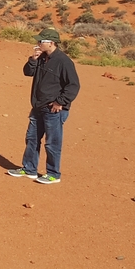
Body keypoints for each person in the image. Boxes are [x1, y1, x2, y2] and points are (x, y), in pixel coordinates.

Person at [9, 28, 80, 184]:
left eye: (41, 41)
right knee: (32, 138)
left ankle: (53, 174)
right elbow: (28, 73)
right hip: (38, 106)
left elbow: (73, 85)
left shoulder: (63, 61)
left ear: (51, 43)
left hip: (53, 110)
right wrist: (33, 60)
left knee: (52, 142)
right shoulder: (41, 58)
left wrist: (60, 102)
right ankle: (29, 169)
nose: (38, 43)